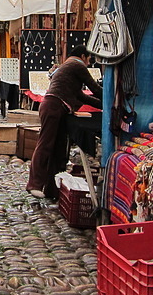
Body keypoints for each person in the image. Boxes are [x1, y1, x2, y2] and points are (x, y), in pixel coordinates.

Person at [26, 45, 102, 199]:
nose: (88, 63)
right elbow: (94, 88)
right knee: (46, 145)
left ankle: (51, 190)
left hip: (57, 108)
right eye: (88, 59)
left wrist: (105, 105)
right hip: (54, 106)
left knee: (59, 149)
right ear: (83, 56)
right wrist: (110, 98)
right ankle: (34, 184)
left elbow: (81, 96)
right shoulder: (76, 65)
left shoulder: (66, 67)